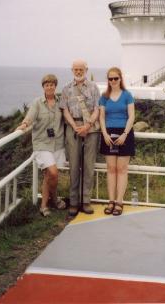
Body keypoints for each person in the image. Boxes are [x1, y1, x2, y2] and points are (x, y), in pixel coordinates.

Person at [17, 74, 66, 217]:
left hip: (57, 143)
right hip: (42, 143)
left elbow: (68, 116)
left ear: (55, 86)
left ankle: (46, 204)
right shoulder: (37, 102)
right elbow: (30, 116)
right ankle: (53, 200)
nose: (49, 87)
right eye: (47, 85)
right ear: (43, 87)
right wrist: (24, 124)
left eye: (52, 84)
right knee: (53, 172)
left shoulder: (61, 103)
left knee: (48, 176)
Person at [60, 60, 100, 216]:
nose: (78, 71)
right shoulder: (66, 89)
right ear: (72, 70)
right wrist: (75, 127)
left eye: (81, 69)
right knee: (74, 165)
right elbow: (65, 111)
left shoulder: (93, 87)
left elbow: (97, 109)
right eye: (75, 69)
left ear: (86, 69)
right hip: (73, 128)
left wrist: (88, 125)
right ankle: (74, 202)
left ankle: (86, 201)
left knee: (89, 165)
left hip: (91, 128)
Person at [99, 67, 135, 216]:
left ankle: (120, 202)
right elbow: (101, 117)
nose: (113, 81)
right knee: (111, 169)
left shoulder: (127, 95)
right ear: (108, 80)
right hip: (108, 134)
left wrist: (125, 134)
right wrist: (105, 134)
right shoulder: (104, 96)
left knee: (121, 169)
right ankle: (111, 201)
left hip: (124, 134)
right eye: (110, 79)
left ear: (120, 79)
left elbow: (131, 116)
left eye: (116, 78)